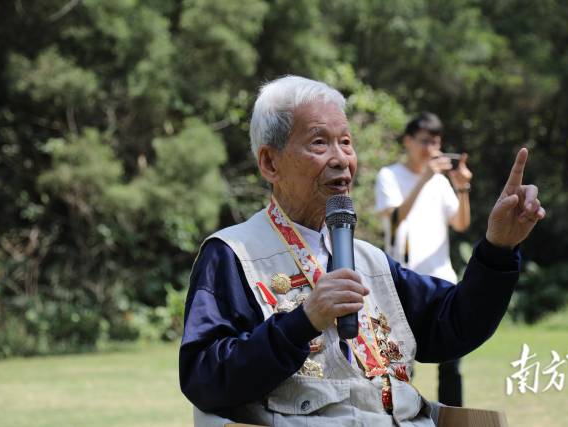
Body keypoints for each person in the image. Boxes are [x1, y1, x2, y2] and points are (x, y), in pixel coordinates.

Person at [179, 75, 545, 427]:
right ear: (270, 163)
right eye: (320, 143)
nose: (341, 159)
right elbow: (204, 379)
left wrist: (499, 247)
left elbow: (454, 325)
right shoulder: (232, 254)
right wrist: (302, 321)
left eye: (346, 142)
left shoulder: (370, 261)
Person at [374, 112, 471, 407]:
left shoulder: (441, 183)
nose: (431, 148)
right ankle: (402, 419)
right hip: (403, 283)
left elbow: (461, 224)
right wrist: (425, 177)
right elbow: (394, 219)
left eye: (436, 142)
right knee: (402, 365)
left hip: (444, 280)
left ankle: (454, 421)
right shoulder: (389, 176)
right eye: (425, 141)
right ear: (408, 141)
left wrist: (463, 187)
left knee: (452, 365)